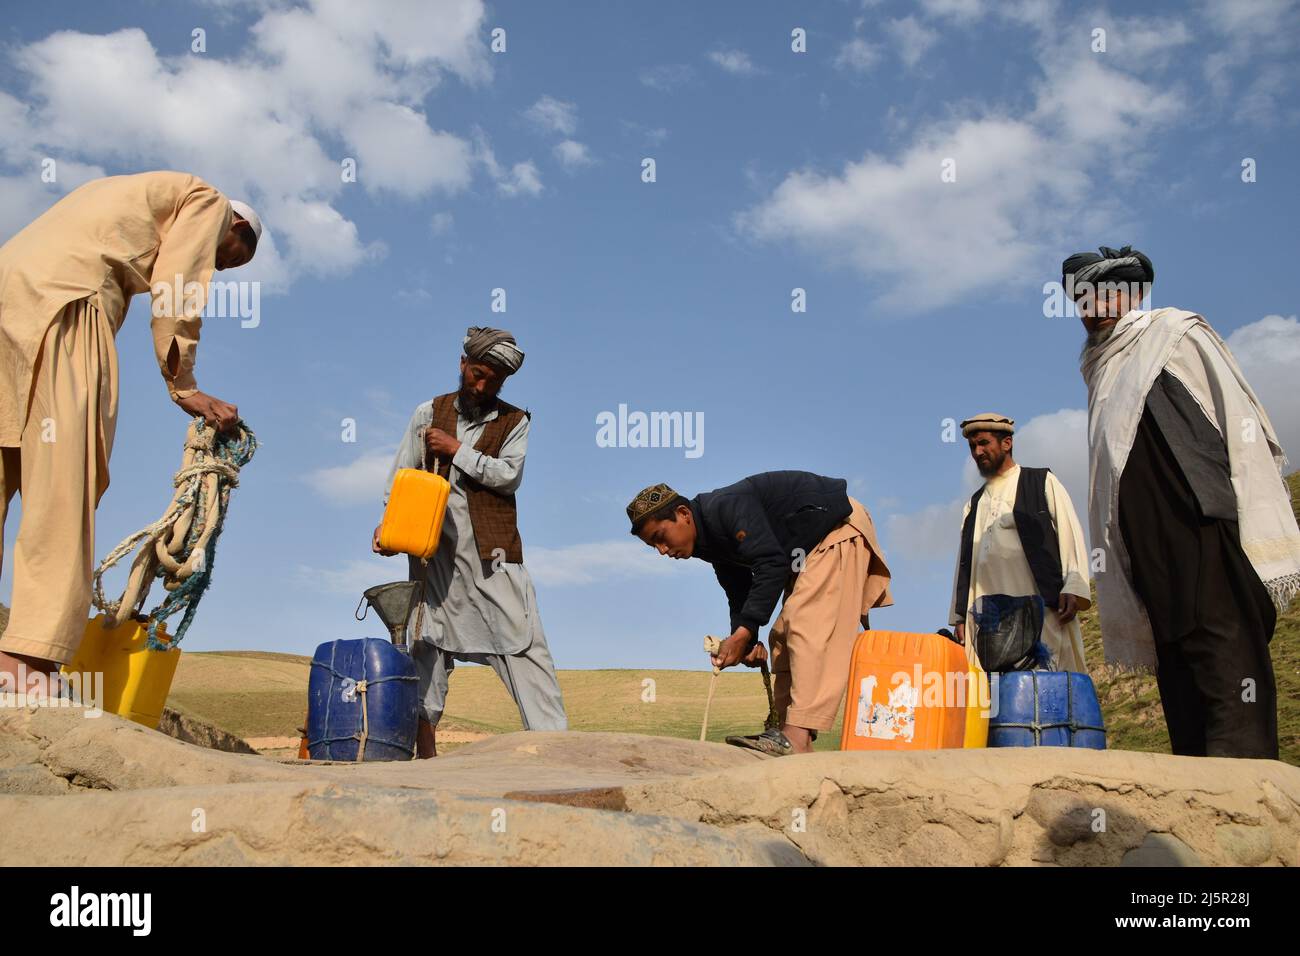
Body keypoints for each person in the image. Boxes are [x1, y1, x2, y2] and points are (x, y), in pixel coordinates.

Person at [0, 171, 259, 686]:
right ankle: (28, 660)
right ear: (235, 224)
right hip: (68, 306)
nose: (223, 267)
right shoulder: (205, 200)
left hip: (13, 300)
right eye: (230, 254)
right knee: (64, 480)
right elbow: (178, 283)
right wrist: (184, 385)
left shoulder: (133, 193)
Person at [1068, 244, 1300, 758]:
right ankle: (1195, 773)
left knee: (1221, 640)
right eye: (1081, 300)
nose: (1093, 308)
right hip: (1145, 544)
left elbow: (1233, 413)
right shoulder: (1099, 368)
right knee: (1173, 652)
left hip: (1200, 521)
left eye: (1104, 295)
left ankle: (1243, 770)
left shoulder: (1172, 334)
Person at [374, 326, 566, 758]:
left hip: (491, 563)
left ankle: (556, 753)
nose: (481, 385)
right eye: (476, 373)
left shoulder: (515, 422)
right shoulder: (428, 412)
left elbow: (507, 476)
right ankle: (424, 760)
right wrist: (388, 526)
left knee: (523, 645)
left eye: (493, 380)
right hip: (434, 561)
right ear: (462, 365)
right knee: (424, 647)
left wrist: (457, 449)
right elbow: (402, 475)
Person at [627, 471, 892, 755]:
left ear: (683, 514)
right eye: (653, 546)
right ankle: (794, 740)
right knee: (784, 636)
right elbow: (738, 589)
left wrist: (744, 632)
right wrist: (746, 640)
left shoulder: (724, 508)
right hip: (802, 554)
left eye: (660, 537)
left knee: (805, 624)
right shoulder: (709, 541)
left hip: (836, 528)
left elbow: (770, 562)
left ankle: (796, 734)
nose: (662, 550)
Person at [949, 413, 1091, 672]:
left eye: (983, 443)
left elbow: (1070, 534)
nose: (977, 452)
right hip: (990, 621)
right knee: (995, 697)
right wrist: (959, 615)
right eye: (972, 447)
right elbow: (964, 563)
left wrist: (1074, 583)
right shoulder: (974, 503)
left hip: (1040, 610)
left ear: (1006, 444)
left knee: (1047, 684)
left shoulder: (1040, 482)